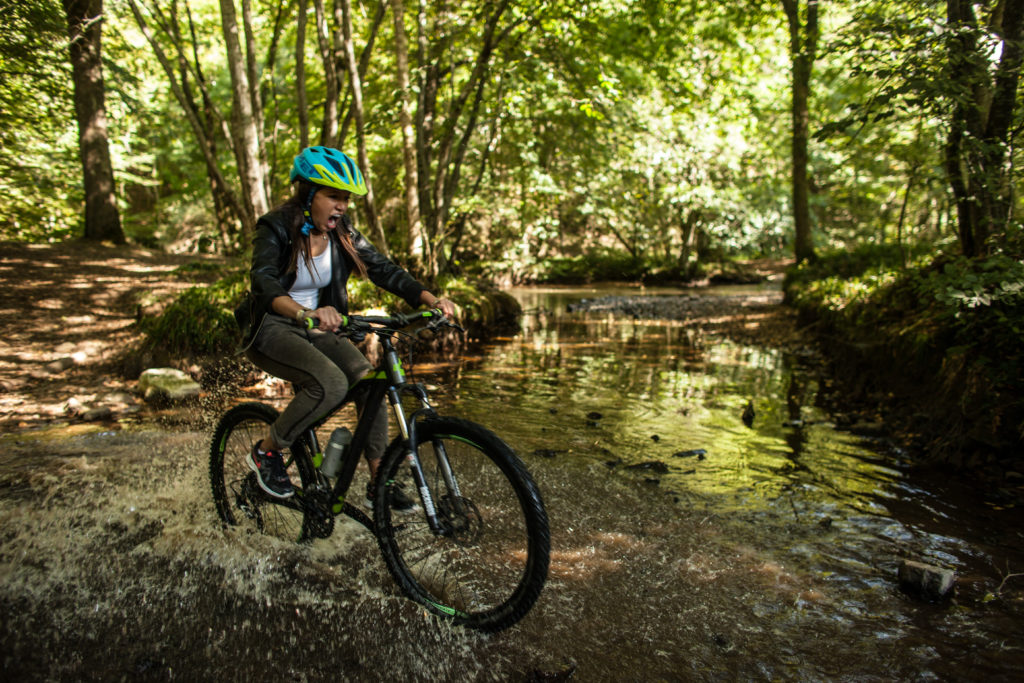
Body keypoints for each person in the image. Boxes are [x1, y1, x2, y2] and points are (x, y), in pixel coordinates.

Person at [234, 146, 455, 508]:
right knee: (331, 383)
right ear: (307, 194)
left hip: (318, 326)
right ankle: (267, 452)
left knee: (369, 382)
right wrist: (303, 313)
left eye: (346, 199)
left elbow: (383, 269)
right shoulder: (274, 226)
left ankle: (379, 478)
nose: (342, 206)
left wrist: (431, 300)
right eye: (333, 196)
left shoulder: (342, 232)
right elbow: (264, 283)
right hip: (273, 325)